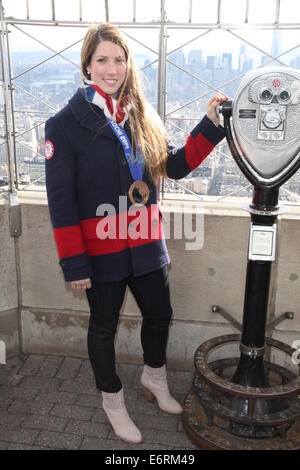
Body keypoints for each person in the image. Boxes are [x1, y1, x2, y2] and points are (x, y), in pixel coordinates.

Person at [45, 22, 227, 445]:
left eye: (120, 60)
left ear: (128, 65)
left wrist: (210, 125)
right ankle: (112, 401)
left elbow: (175, 166)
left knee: (159, 315)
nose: (112, 69)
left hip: (146, 244)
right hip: (101, 249)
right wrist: (74, 262)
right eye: (103, 60)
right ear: (87, 65)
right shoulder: (64, 125)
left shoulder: (139, 113)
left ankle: (154, 379)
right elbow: (62, 202)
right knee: (104, 327)